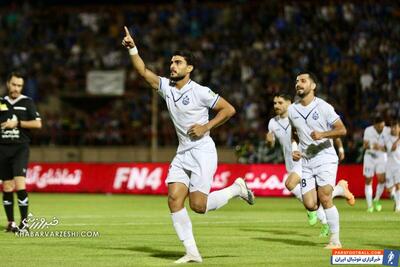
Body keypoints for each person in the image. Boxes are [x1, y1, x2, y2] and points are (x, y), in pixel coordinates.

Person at [121, 27, 255, 263]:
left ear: (189, 68)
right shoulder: (166, 87)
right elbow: (143, 71)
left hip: (202, 150)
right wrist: (133, 48)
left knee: (199, 206)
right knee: (174, 199)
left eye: (178, 62)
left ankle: (236, 189)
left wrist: (206, 126)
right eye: (172, 62)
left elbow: (229, 109)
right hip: (183, 151)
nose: (172, 66)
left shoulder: (201, 92)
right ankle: (192, 252)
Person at [266, 92, 354, 237]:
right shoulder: (272, 123)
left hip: (305, 158)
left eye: (280, 103)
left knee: (289, 184)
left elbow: (333, 131)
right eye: (275, 103)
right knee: (315, 200)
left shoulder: (299, 114)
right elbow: (273, 144)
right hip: (291, 162)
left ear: (289, 103)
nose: (276, 106)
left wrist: (340, 148)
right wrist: (269, 142)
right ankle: (338, 191)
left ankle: (321, 219)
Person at [288, 72, 347, 249]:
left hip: (325, 158)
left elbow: (342, 130)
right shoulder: (292, 109)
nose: (298, 84)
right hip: (306, 161)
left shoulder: (324, 107)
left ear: (313, 86)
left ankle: (335, 240)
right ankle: (340, 189)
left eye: (303, 81)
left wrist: (323, 134)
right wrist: (295, 149)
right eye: (297, 81)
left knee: (324, 197)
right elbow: (294, 133)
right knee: (310, 204)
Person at [0, 72, 42, 232]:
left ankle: (24, 224)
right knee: (7, 187)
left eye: (19, 85)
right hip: (2, 148)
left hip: (20, 148)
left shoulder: (27, 102)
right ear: (8, 84)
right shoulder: (1, 102)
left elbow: (38, 124)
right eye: (14, 84)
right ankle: (11, 223)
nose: (16, 88)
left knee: (20, 184)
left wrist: (17, 123)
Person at [363, 115, 390, 212]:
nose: (381, 128)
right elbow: (364, 145)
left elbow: (391, 145)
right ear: (375, 125)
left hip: (382, 156)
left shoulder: (388, 130)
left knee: (382, 180)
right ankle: (370, 206)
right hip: (369, 156)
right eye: (379, 127)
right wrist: (372, 145)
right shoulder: (368, 130)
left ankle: (376, 199)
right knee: (368, 180)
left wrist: (383, 148)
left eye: (383, 126)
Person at [384, 119, 400, 212]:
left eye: (395, 127)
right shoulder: (388, 138)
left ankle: (398, 206)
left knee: (398, 185)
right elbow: (392, 149)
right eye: (392, 127)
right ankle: (396, 200)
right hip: (389, 166)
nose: (393, 129)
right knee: (389, 190)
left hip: (398, 166)